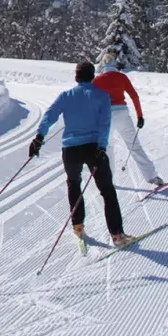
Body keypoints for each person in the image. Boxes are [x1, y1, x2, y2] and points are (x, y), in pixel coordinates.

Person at [29, 60, 128, 246]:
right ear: (93, 77)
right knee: (107, 191)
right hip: (93, 148)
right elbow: (104, 125)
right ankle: (117, 235)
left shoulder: (66, 96)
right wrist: (101, 147)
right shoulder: (102, 96)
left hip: (70, 150)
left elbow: (49, 116)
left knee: (74, 185)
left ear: (76, 77)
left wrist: (39, 138)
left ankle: (78, 226)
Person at [94, 48, 164, 188]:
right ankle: (152, 177)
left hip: (106, 117)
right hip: (122, 114)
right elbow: (134, 96)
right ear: (115, 63)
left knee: (107, 148)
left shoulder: (97, 80)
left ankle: (108, 180)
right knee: (134, 146)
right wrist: (140, 116)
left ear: (103, 64)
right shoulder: (122, 77)